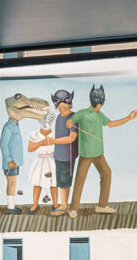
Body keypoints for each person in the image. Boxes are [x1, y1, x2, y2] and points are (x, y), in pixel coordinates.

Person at [62, 84, 137, 218]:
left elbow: (111, 124)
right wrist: (69, 123)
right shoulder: (83, 113)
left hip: (98, 154)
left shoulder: (99, 114)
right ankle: (73, 209)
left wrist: (128, 118)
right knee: (80, 180)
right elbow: (70, 121)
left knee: (106, 173)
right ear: (101, 102)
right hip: (86, 155)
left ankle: (102, 206)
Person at [43, 89, 77, 216]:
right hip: (58, 155)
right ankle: (64, 205)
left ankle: (64, 206)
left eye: (65, 102)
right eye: (59, 102)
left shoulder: (74, 117)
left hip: (67, 155)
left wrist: (53, 141)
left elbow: (71, 138)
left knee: (65, 182)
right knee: (61, 181)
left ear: (70, 102)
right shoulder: (58, 118)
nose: (62, 105)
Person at [26, 110, 58, 211]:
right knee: (37, 183)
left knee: (54, 183)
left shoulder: (55, 134)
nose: (46, 123)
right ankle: (35, 204)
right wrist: (40, 143)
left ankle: (55, 204)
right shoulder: (34, 134)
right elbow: (30, 149)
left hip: (52, 161)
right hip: (40, 161)